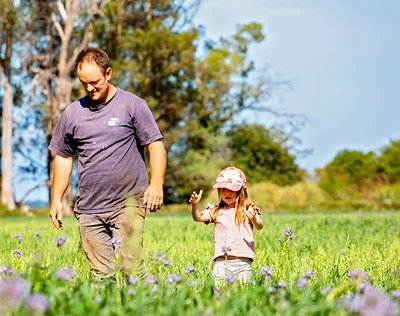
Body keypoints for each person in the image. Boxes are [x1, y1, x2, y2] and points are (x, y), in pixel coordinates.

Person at [48, 47, 166, 278]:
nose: (90, 88)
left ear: (108, 73)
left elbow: (155, 145)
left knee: (130, 267)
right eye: (84, 83)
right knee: (101, 275)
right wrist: (56, 199)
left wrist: (156, 184)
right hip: (89, 208)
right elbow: (63, 156)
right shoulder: (73, 113)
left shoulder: (133, 105)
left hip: (128, 204)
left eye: (94, 82)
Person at [189, 166, 264, 285]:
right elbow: (198, 217)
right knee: (220, 292)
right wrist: (195, 205)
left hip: (243, 263)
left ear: (241, 191)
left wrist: (253, 218)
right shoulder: (216, 210)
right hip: (221, 263)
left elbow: (260, 226)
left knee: (243, 292)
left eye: (232, 189)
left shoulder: (248, 210)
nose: (227, 193)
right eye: (223, 189)